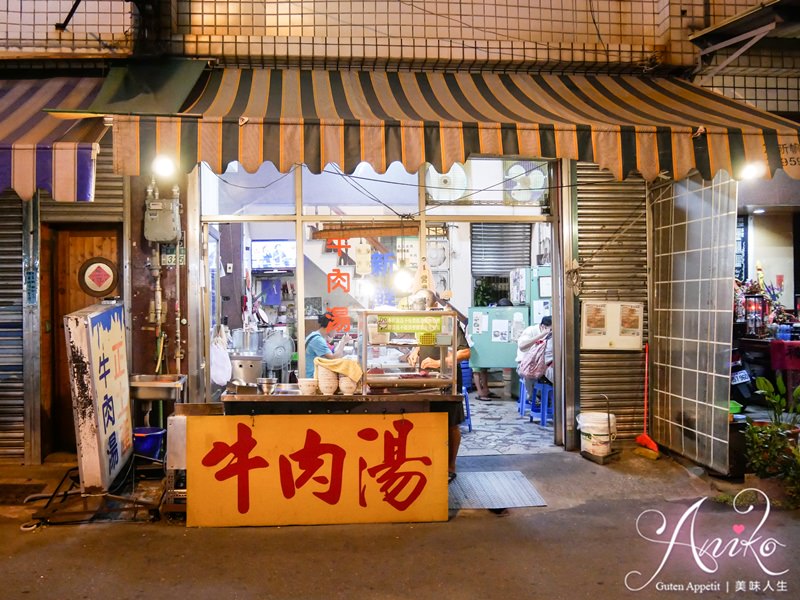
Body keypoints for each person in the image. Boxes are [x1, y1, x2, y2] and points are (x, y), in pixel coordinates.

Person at [406, 288, 470, 483]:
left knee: (451, 423)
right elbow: (427, 341)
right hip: (427, 381)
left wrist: (437, 363)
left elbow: (465, 352)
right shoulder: (423, 324)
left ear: (433, 304)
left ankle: (451, 466)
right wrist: (416, 349)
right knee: (430, 419)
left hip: (448, 380)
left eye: (422, 303)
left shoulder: (447, 321)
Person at [474, 297, 513, 400]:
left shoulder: (492, 312)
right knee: (476, 369)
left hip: (484, 345)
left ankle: (486, 390)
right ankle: (480, 393)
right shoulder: (488, 312)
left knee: (484, 369)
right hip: (476, 344)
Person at [516, 315, 553, 397]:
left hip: (543, 365)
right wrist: (541, 335)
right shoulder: (531, 330)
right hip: (525, 365)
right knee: (530, 373)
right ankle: (532, 397)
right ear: (543, 327)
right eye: (551, 329)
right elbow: (522, 346)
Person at [305, 312, 351, 378]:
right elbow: (334, 358)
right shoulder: (317, 340)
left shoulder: (316, 335)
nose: (337, 331)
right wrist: (343, 342)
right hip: (312, 377)